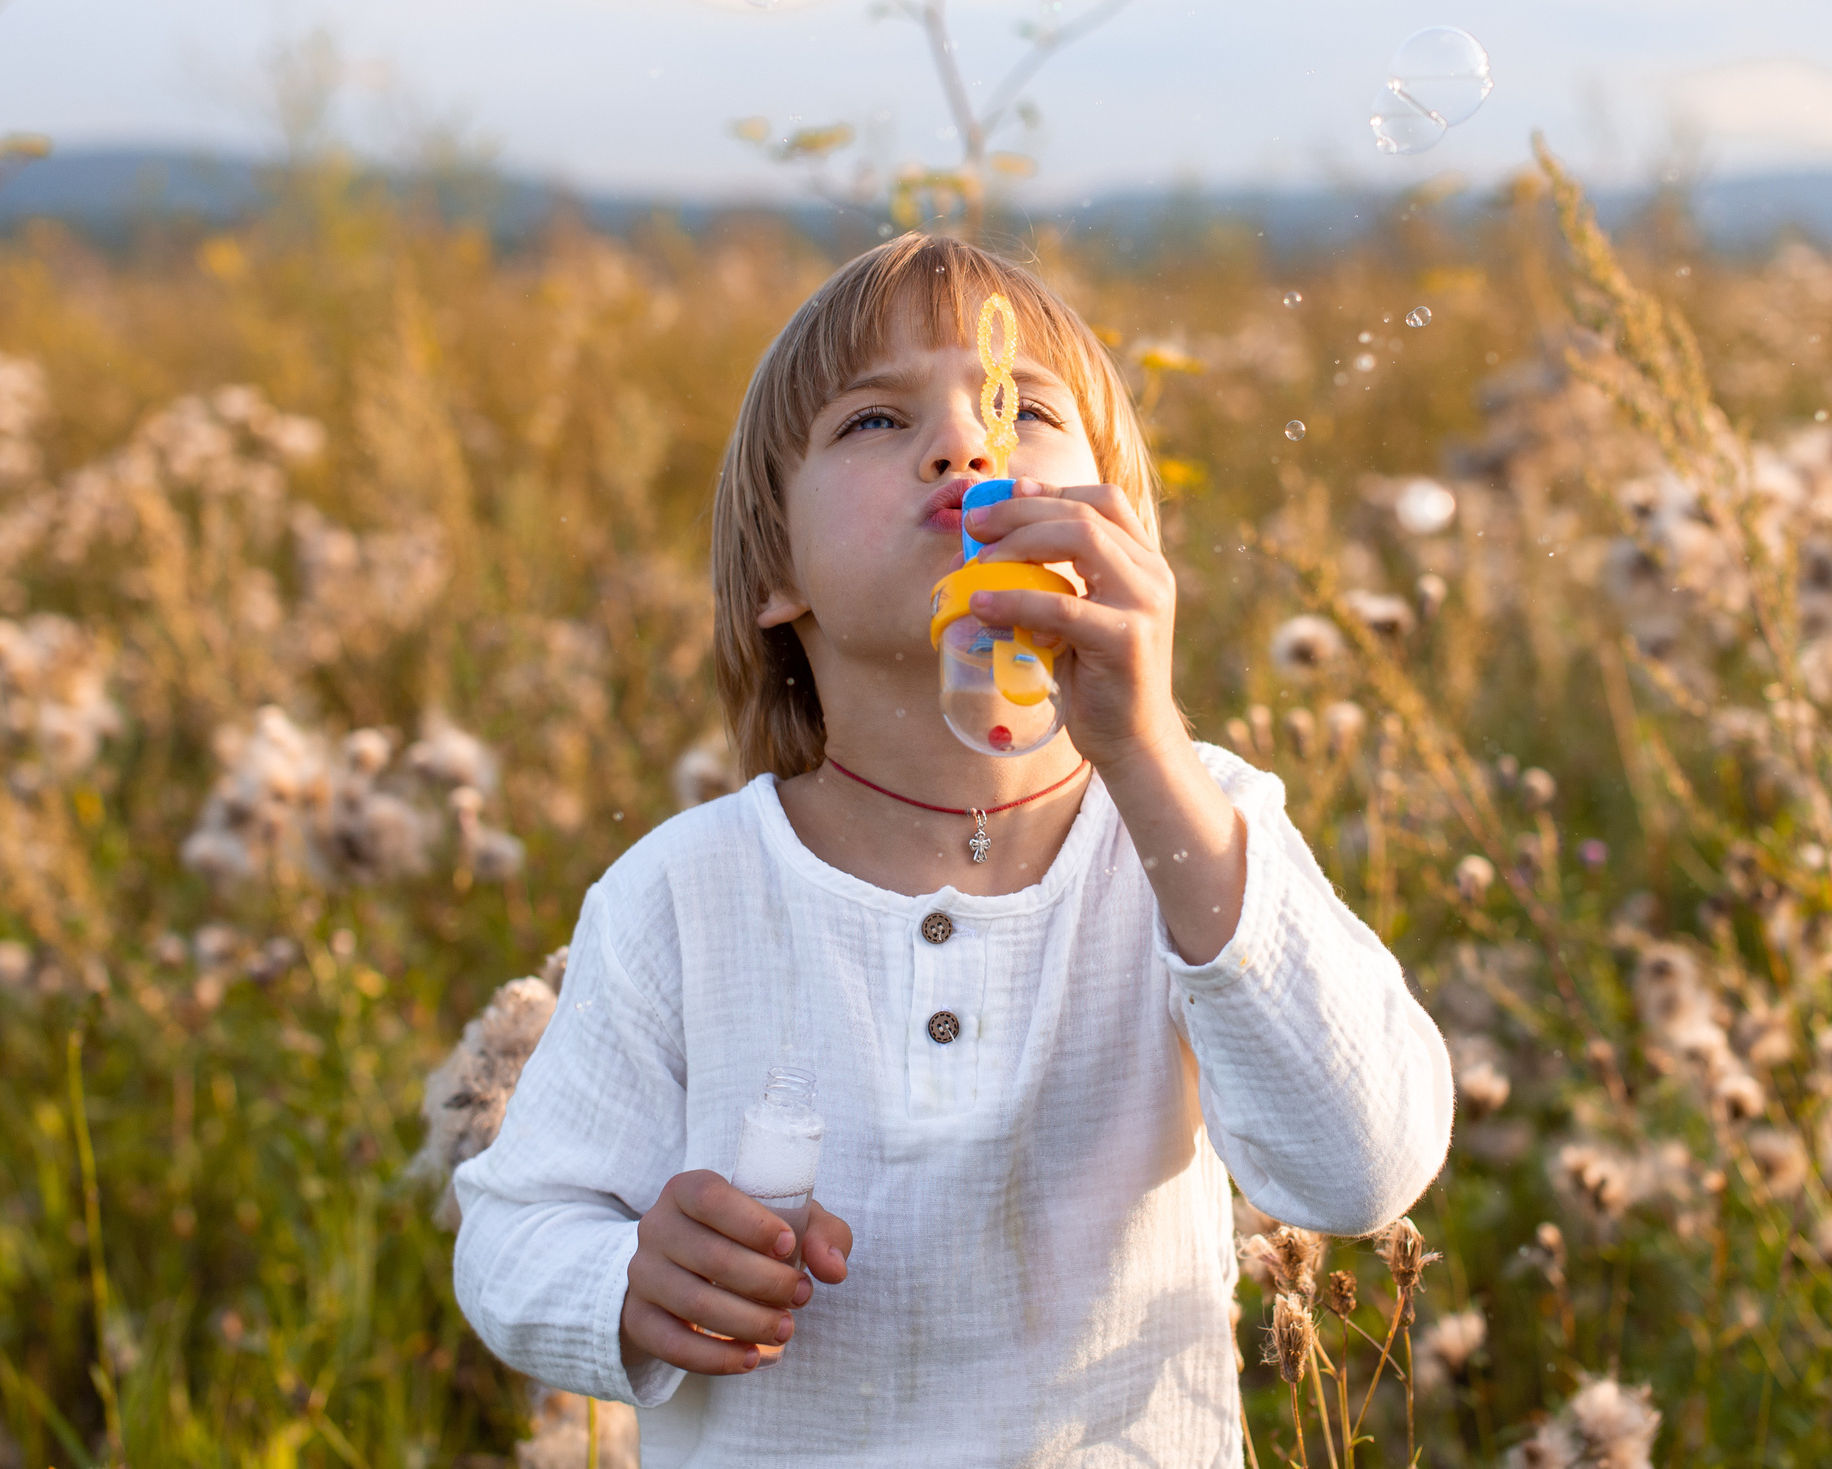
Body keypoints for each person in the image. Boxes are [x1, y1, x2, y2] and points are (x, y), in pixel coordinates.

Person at [451, 232, 1453, 1466]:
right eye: (874, 420)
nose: (964, 444)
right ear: (774, 572)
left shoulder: (1193, 828)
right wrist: (626, 1278)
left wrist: (1146, 751)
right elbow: (511, 1232)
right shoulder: (686, 890)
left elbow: (1361, 1167)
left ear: (1115, 535)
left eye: (1020, 407)